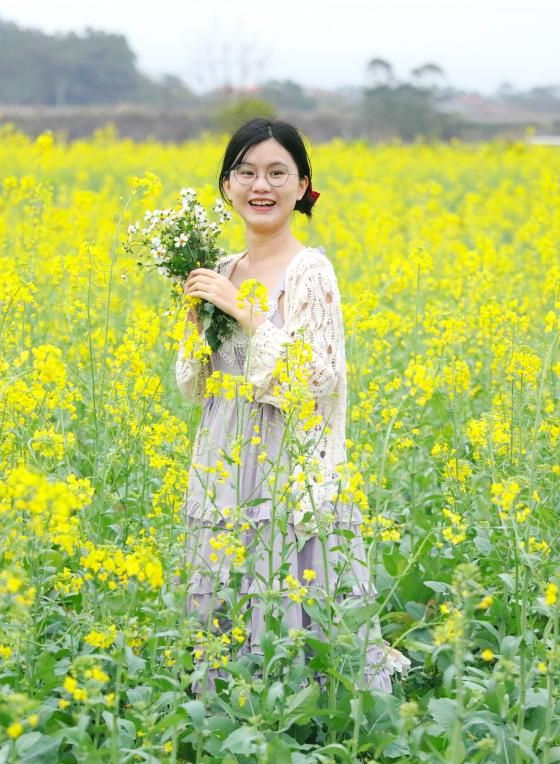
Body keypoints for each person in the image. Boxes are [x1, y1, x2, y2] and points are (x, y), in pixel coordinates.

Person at [174, 117, 410, 695]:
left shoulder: (311, 270)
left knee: (294, 584)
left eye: (278, 172)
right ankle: (228, 708)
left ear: (303, 185)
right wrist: (193, 320)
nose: (262, 185)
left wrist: (246, 312)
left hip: (288, 455)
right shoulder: (221, 269)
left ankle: (310, 718)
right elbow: (194, 384)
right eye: (246, 172)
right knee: (227, 584)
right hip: (226, 453)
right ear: (227, 187)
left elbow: (315, 377)